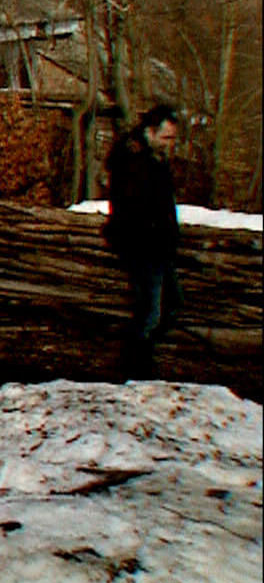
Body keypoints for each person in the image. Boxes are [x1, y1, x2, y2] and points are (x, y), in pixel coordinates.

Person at [104, 104, 182, 378]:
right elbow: (134, 209)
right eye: (166, 137)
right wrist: (154, 235)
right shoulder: (135, 162)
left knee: (171, 304)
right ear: (150, 132)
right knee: (150, 313)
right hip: (144, 247)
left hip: (159, 247)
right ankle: (135, 372)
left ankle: (139, 367)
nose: (170, 144)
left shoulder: (153, 159)